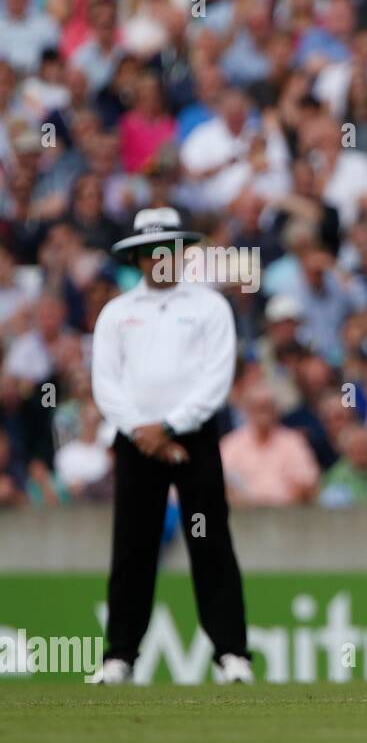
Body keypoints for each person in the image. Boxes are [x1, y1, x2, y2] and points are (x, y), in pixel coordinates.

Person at [89, 208, 253, 685]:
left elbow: (215, 380)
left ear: (181, 254)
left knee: (210, 542)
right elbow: (107, 383)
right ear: (139, 257)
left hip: (192, 437)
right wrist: (144, 431)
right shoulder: (118, 313)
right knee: (132, 545)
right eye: (151, 253)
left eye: (168, 252)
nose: (160, 261)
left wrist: (171, 426)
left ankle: (231, 654)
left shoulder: (208, 307)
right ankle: (120, 656)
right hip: (136, 437)